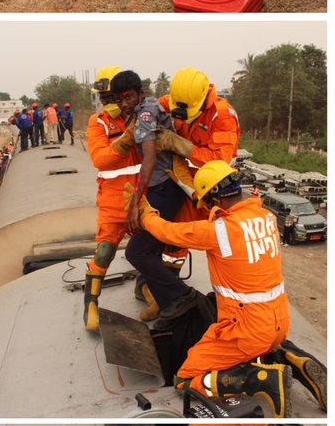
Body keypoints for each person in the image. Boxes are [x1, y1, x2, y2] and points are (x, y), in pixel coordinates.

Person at [135, 160, 325, 417]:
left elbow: (169, 232)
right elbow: (224, 218)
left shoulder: (220, 232)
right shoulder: (266, 218)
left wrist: (146, 214)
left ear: (215, 199)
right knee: (254, 347)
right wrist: (186, 184)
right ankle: (290, 360)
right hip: (278, 324)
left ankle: (262, 380)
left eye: (208, 203)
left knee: (186, 378)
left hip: (245, 330)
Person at [110, 69, 200, 326]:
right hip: (161, 187)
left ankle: (181, 297)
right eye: (118, 99)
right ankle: (160, 298)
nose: (123, 103)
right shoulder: (144, 108)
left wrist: (134, 205)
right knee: (152, 248)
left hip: (165, 189)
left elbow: (149, 159)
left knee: (136, 252)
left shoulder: (145, 114)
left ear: (140, 92)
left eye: (127, 97)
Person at [81, 67, 140, 331]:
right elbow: (100, 159)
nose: (106, 102)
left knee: (151, 250)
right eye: (101, 98)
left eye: (109, 96)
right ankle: (91, 302)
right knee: (105, 252)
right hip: (114, 200)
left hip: (143, 198)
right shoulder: (99, 123)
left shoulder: (140, 115)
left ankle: (147, 289)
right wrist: (126, 141)